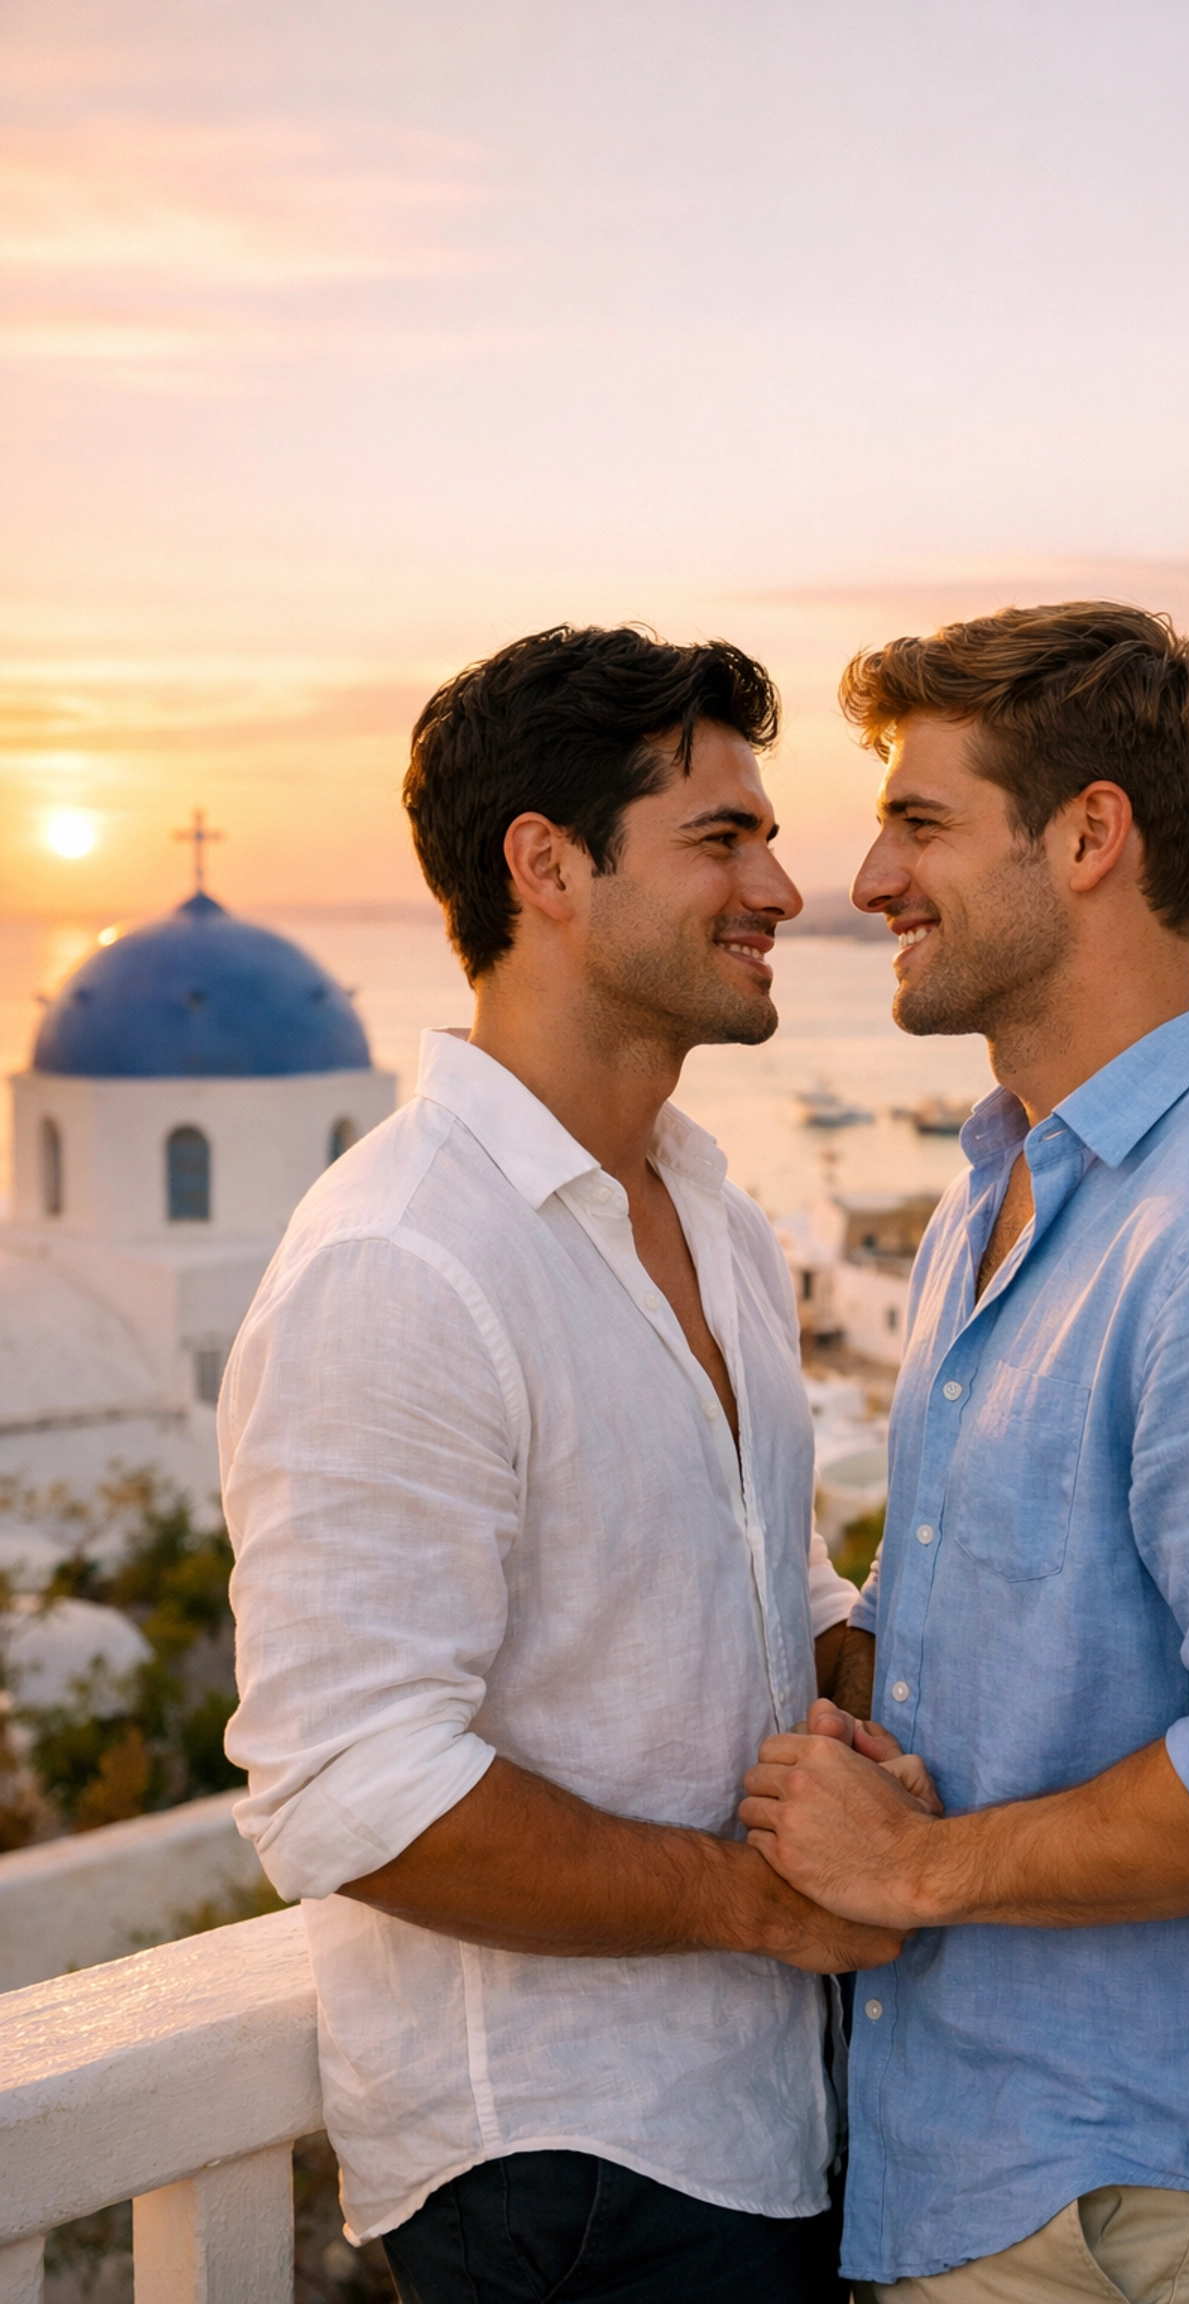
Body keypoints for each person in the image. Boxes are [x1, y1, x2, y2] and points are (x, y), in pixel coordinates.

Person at [738, 603, 1189, 2303]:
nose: (869, 880)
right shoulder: (999, 1193)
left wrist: (917, 1867)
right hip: (972, 2162)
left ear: (1088, 837)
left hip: (1117, 2206)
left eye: (919, 823)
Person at [220, 623, 909, 2304]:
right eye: (721, 838)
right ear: (546, 867)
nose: (782, 889)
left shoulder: (714, 1217)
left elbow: (776, 1596)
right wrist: (761, 1907)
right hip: (562, 2173)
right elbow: (354, 1783)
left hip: (768, 2117)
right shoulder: (402, 1258)